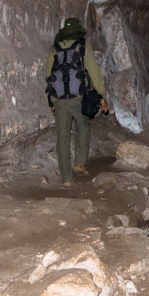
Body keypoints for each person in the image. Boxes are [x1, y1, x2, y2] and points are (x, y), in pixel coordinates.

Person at [46, 17, 108, 184]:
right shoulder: (82, 47)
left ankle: (66, 178)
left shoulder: (54, 49)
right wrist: (101, 95)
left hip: (59, 100)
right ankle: (80, 163)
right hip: (78, 97)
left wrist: (52, 100)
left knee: (62, 136)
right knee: (83, 127)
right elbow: (94, 73)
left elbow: (48, 76)